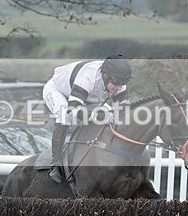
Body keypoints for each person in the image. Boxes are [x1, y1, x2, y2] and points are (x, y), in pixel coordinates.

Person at [42, 54, 132, 183]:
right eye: (117, 82)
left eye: (123, 83)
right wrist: (100, 116)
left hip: (85, 98)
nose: (119, 87)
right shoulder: (88, 77)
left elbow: (125, 110)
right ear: (105, 75)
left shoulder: (118, 81)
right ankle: (55, 164)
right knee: (64, 115)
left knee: (109, 115)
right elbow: (73, 110)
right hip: (59, 91)